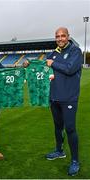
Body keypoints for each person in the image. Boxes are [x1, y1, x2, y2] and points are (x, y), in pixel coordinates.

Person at [46, 27, 83, 176]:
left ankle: (75, 161)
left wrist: (52, 64)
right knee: (57, 127)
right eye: (57, 36)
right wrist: (28, 63)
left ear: (68, 36)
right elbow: (44, 67)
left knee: (70, 129)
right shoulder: (53, 53)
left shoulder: (75, 51)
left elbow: (70, 69)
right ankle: (59, 151)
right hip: (54, 97)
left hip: (69, 98)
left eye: (63, 36)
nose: (60, 38)